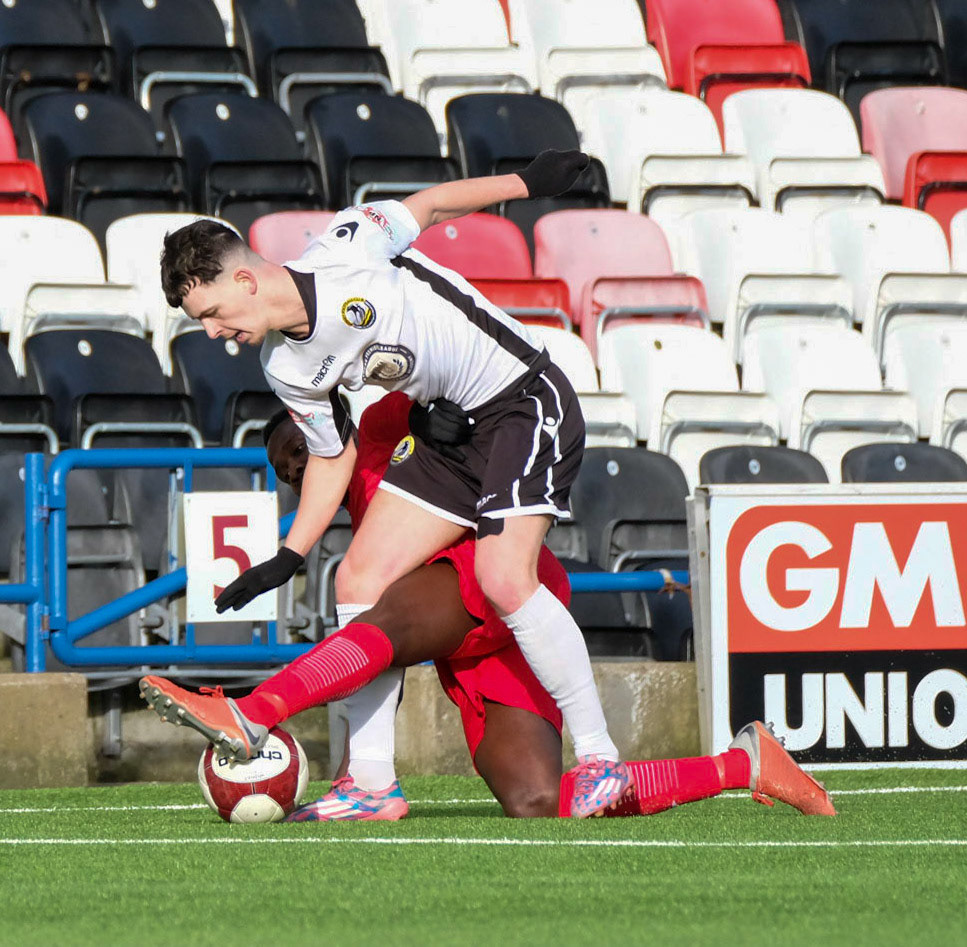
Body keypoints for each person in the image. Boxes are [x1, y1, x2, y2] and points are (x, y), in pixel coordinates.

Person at [156, 151, 632, 816]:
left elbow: (433, 204)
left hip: (521, 397)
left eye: (210, 311)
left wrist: (525, 183)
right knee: (356, 579)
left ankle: (601, 758)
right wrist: (291, 554)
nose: (212, 332)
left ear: (243, 277)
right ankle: (371, 782)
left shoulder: (350, 241)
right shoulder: (287, 368)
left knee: (502, 575)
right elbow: (330, 455)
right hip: (450, 437)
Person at [141, 395, 836, 820]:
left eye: (298, 449)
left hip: (493, 571)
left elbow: (428, 387)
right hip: (471, 640)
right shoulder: (344, 509)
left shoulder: (381, 420)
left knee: (373, 615)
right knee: (538, 800)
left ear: (323, 424)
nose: (298, 468)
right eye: (287, 470)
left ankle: (255, 711)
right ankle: (741, 764)